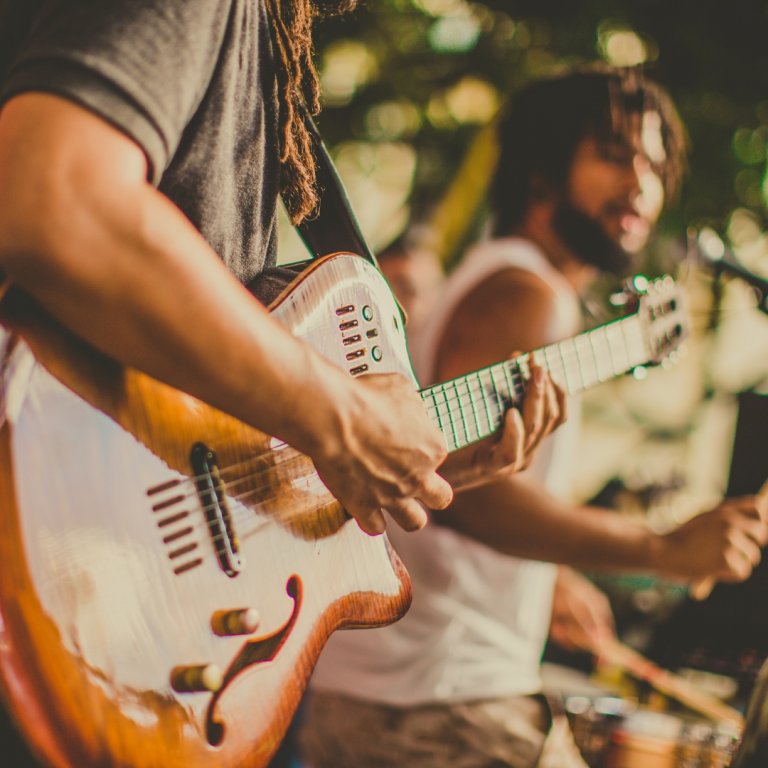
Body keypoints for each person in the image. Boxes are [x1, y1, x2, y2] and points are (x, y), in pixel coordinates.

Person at [0, 2, 564, 765]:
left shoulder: (264, 38)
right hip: (45, 546)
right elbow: (53, 193)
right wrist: (342, 420)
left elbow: (197, 388)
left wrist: (364, 463)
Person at [297, 64, 768, 768]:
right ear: (543, 170)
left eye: (653, 160)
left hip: (399, 691)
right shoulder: (528, 291)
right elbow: (457, 499)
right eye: (613, 155)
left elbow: (458, 478)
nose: (642, 181)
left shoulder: (499, 277)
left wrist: (549, 578)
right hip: (439, 701)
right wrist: (663, 549)